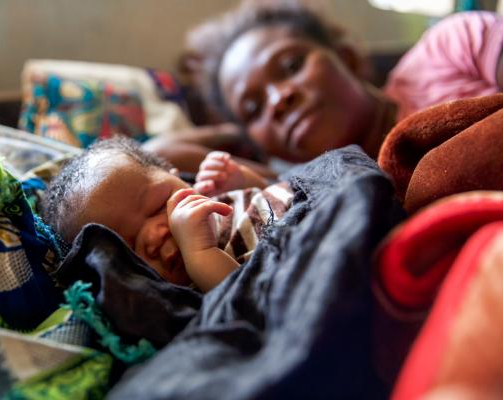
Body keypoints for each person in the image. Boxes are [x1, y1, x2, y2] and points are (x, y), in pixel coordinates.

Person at [145, 2, 503, 169]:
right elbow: (156, 153)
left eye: (291, 65)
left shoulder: (451, 47)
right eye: (254, 108)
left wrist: (252, 121)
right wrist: (239, 133)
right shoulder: (298, 193)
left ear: (345, 56)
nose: (278, 100)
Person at [43, 136, 292, 292]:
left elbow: (276, 195)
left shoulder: (215, 201)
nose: (154, 237)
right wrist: (201, 253)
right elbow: (249, 300)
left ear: (178, 178)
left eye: (158, 205)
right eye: (128, 248)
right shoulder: (191, 285)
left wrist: (243, 180)